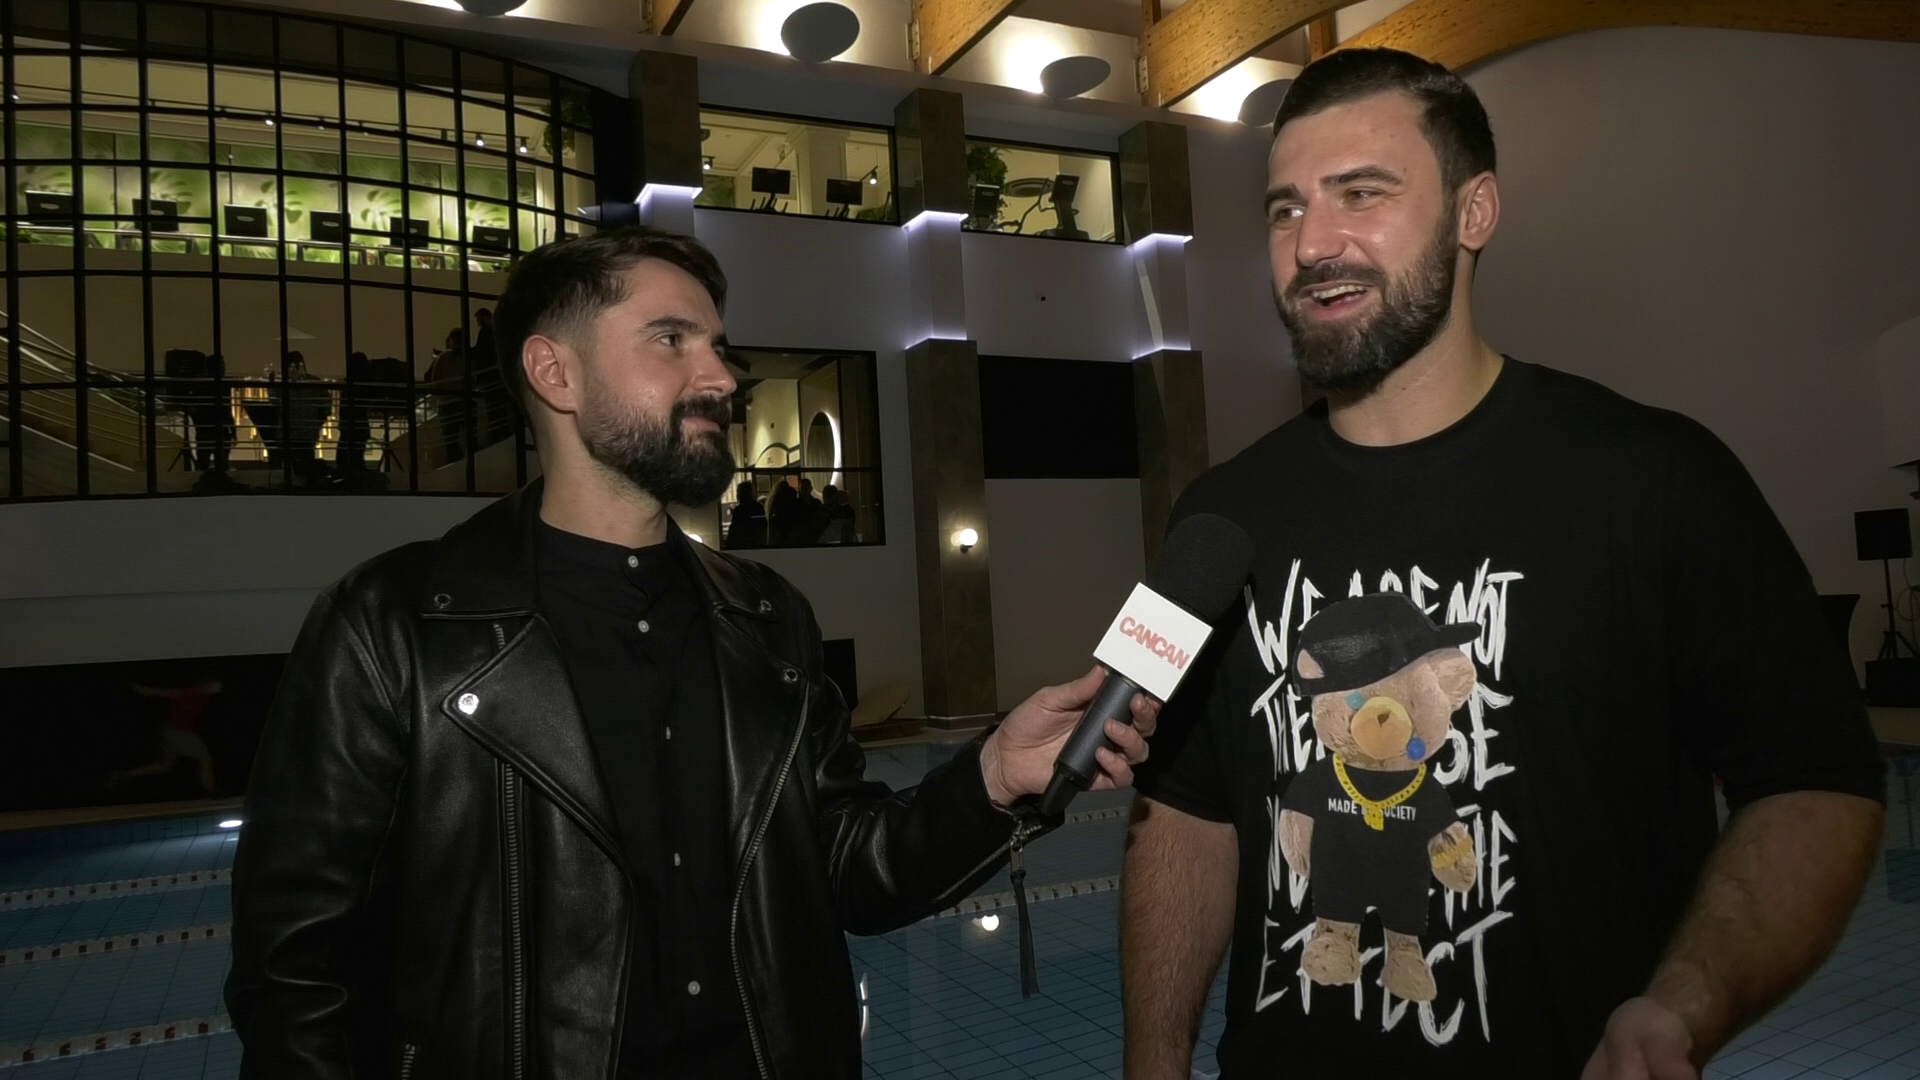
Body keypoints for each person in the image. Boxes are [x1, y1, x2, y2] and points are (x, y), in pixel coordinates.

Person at [227, 227, 1159, 1080]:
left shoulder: (766, 617)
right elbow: (294, 971)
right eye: (671, 340)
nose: (720, 376)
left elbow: (846, 870)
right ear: (555, 373)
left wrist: (992, 778)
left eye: (716, 345)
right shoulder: (394, 626)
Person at [1119, 48, 1886, 1080]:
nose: (1312, 243)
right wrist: (1153, 1062)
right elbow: (1181, 810)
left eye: (1362, 194)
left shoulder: (1653, 479)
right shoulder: (1219, 516)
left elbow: (1814, 781)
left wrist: (1685, 1003)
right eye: (1285, 208)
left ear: (1474, 212)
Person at [110, 677, 222, 794]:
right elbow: (156, 692)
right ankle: (211, 790)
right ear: (207, 685)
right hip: (178, 734)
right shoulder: (189, 693)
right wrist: (133, 685)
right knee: (205, 759)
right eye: (217, 683)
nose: (219, 686)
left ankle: (121, 775)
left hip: (171, 734)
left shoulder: (205, 697)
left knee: (164, 766)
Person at [725, 479, 766, 548]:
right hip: (758, 544)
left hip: (741, 544)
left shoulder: (739, 509)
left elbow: (735, 530)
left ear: (741, 493)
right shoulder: (759, 507)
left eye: (738, 492)